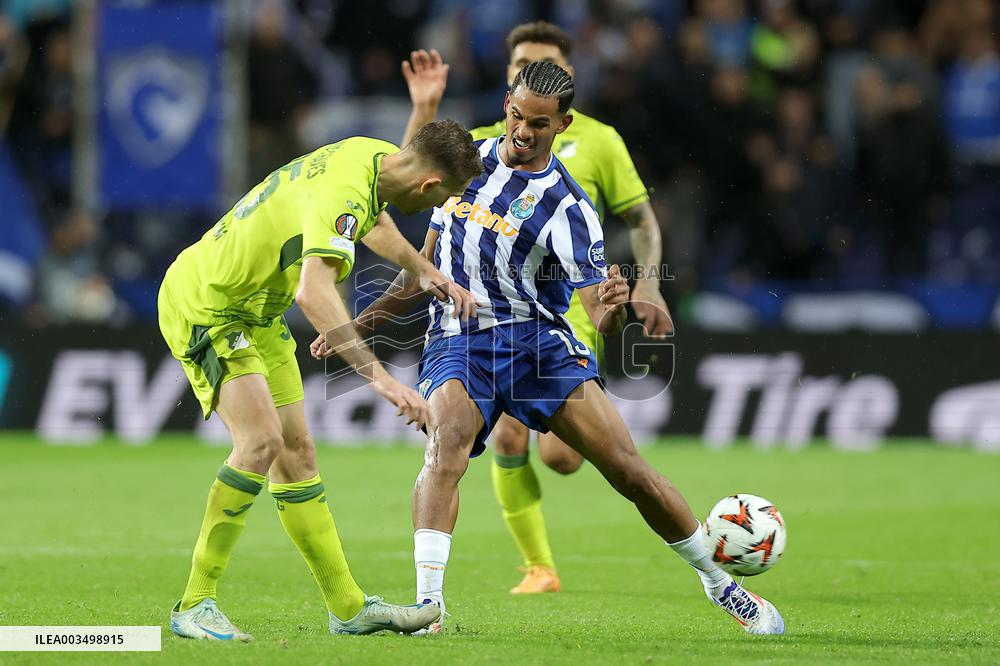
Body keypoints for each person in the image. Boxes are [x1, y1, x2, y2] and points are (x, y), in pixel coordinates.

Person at [359, 61, 785, 636]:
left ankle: (721, 585)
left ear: (563, 123)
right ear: (506, 103)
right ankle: (427, 609)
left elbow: (598, 319)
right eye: (515, 114)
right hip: (460, 338)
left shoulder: (570, 210)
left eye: (538, 122)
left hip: (538, 345)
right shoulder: (467, 162)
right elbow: (422, 267)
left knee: (629, 472)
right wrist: (363, 322)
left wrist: (613, 306)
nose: (523, 130)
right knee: (448, 446)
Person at [157, 121, 482, 640]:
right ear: (429, 186)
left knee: (297, 454)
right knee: (260, 440)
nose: (445, 207)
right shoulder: (346, 190)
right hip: (209, 302)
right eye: (449, 196)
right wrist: (380, 379)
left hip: (257, 311)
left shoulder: (372, 156)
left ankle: (348, 608)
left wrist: (424, 268)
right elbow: (313, 292)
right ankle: (194, 603)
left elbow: (369, 224)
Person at [399, 21, 672, 594]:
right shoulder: (475, 144)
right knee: (491, 439)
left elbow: (640, 220)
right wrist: (423, 109)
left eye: (543, 60)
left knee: (566, 459)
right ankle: (536, 567)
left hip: (568, 308)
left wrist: (644, 287)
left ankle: (706, 570)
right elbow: (410, 184)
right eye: (519, 60)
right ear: (509, 86)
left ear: (566, 83)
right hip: (477, 320)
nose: (522, 128)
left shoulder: (600, 143)